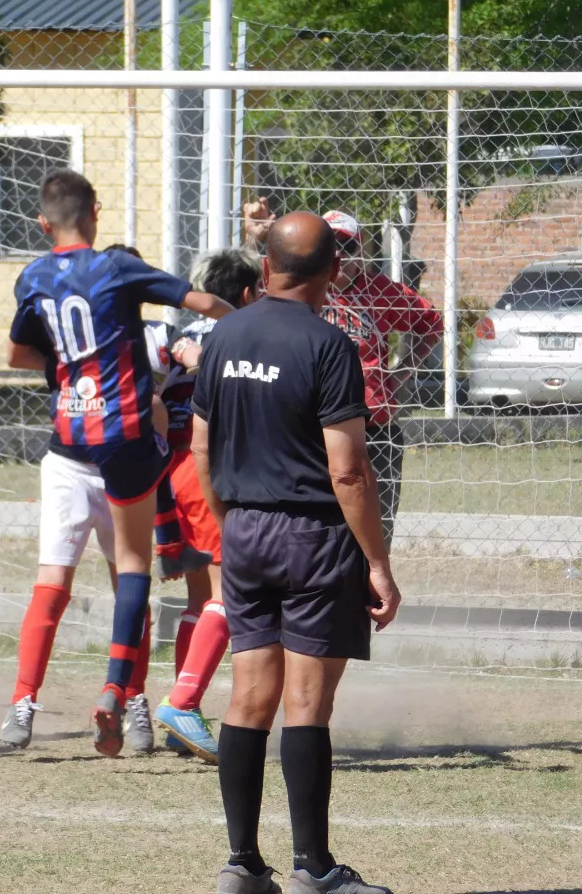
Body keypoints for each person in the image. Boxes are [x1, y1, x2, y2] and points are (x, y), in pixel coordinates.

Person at [191, 212, 401, 894]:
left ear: (265, 264)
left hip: (244, 532)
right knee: (306, 704)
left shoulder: (223, 335)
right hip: (314, 537)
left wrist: (232, 525)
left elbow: (200, 447)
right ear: (333, 271)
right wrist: (377, 562)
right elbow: (347, 471)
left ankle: (242, 864)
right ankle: (314, 868)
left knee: (248, 697)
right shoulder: (330, 345)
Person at [8, 170, 232, 756]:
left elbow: (15, 351)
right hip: (126, 432)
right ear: (96, 213)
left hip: (70, 433)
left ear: (42, 222)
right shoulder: (116, 268)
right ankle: (117, 687)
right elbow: (202, 300)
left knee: (55, 576)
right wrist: (258, 326)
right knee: (133, 566)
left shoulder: (32, 276)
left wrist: (67, 375)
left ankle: (26, 701)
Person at [152, 250, 262, 763]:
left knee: (201, 600)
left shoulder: (182, 334)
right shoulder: (236, 335)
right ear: (246, 295)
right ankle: (184, 701)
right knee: (228, 593)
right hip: (205, 469)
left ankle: (182, 716)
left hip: (171, 472)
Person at [321, 211, 441, 547]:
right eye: (328, 246)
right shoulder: (307, 291)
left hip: (374, 423)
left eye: (345, 245)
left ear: (360, 249)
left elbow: (429, 322)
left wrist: (401, 371)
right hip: (319, 427)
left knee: (375, 528)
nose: (337, 256)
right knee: (325, 529)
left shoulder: (380, 289)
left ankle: (371, 594)